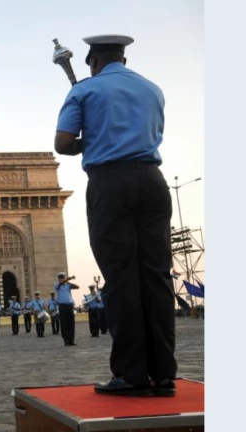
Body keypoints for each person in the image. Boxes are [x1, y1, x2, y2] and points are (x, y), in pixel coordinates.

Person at [54, 34, 176, 397]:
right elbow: (153, 134)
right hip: (153, 182)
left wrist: (89, 140)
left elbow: (63, 144)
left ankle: (131, 373)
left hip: (111, 184)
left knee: (121, 279)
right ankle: (165, 374)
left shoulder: (84, 91)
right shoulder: (153, 89)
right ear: (123, 57)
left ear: (91, 60)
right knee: (157, 276)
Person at [54, 273, 78, 346]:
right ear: (59, 278)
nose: (62, 279)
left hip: (69, 306)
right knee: (64, 324)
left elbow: (77, 287)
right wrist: (67, 279)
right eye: (61, 278)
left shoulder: (68, 285)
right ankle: (66, 341)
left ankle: (71, 340)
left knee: (71, 324)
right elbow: (60, 284)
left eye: (63, 277)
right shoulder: (57, 285)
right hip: (62, 306)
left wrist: (68, 281)